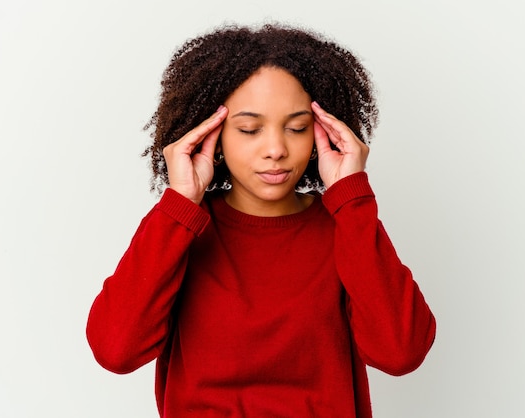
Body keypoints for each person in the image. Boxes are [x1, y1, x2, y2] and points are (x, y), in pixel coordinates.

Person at [86, 22, 436, 417]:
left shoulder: (344, 229)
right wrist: (179, 203)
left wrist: (352, 198)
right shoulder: (183, 231)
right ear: (212, 135)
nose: (276, 149)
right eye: (250, 129)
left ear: (322, 132)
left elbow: (401, 353)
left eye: (297, 128)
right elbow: (116, 351)